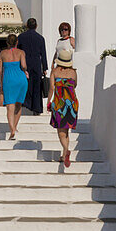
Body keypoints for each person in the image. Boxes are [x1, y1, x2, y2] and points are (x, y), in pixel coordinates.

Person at [48, 21, 78, 166]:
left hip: (60, 101)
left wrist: (49, 101)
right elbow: (75, 85)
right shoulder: (73, 73)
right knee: (66, 130)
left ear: (69, 30)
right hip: (71, 100)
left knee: (61, 131)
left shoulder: (71, 40)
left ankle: (66, 150)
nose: (64, 31)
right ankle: (64, 153)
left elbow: (51, 88)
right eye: (62, 29)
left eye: (66, 29)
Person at [0, 33, 29, 140]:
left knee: (10, 107)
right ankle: (14, 127)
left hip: (8, 79)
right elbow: (24, 66)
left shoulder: (2, 53)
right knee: (18, 105)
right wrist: (25, 71)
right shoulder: (21, 52)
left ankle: (12, 130)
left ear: (7, 42)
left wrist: (1, 84)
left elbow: (0, 71)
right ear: (17, 42)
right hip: (20, 79)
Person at [18, 17, 47, 115]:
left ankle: (27, 105)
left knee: (26, 85)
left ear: (27, 26)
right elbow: (43, 54)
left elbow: (18, 52)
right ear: (36, 26)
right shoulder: (40, 38)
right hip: (36, 64)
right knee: (37, 86)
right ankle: (36, 108)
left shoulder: (21, 37)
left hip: (25, 63)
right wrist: (45, 68)